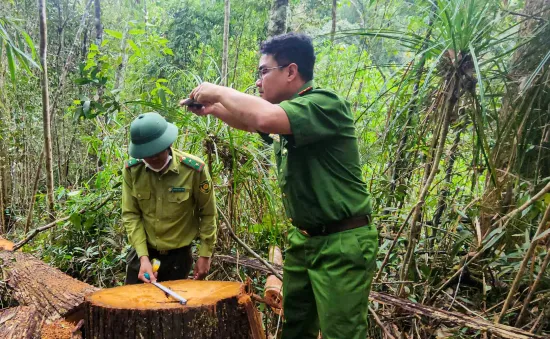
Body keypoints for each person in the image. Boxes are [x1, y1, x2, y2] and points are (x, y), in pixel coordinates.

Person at [183, 33, 378, 339]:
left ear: (291, 71)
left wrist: (218, 91)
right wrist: (214, 109)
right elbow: (250, 122)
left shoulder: (325, 105)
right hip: (304, 240)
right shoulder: (290, 115)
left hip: (343, 242)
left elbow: (263, 117)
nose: (258, 82)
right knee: (296, 327)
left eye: (263, 72)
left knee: (342, 333)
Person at [122, 112, 217, 284]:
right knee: (132, 306)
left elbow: (208, 214)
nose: (152, 157)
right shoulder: (132, 171)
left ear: (169, 143)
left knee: (173, 308)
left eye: (157, 151)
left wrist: (205, 254)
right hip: (143, 254)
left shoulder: (193, 171)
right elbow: (131, 214)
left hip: (177, 259)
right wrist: (143, 258)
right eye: (147, 153)